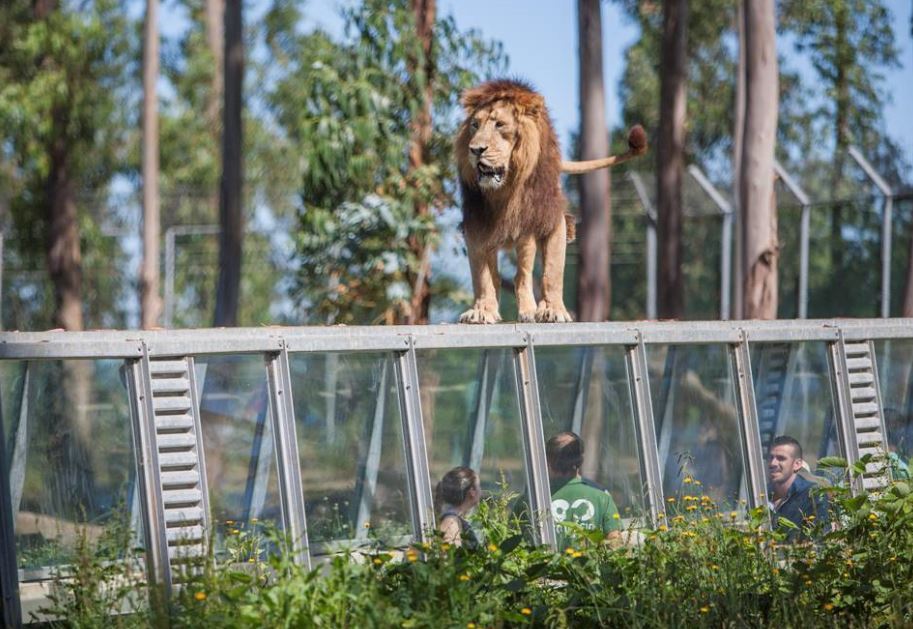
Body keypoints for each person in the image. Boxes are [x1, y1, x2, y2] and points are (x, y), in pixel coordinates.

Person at [546, 432, 621, 549]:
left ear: (549, 461)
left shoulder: (535, 497)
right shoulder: (602, 496)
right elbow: (614, 543)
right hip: (589, 566)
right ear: (581, 459)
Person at [768, 435, 830, 541]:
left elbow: (819, 541)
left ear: (797, 464)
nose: (772, 463)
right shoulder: (759, 495)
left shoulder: (812, 496)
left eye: (781, 458)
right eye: (771, 458)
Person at [435, 466, 481, 549]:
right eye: (478, 486)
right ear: (472, 492)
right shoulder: (451, 522)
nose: (480, 490)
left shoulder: (454, 519)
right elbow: (449, 557)